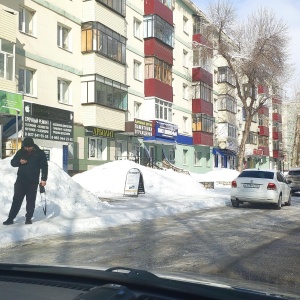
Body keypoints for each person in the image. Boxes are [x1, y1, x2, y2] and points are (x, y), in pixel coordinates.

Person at [3, 137, 48, 225]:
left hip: (33, 181)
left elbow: (44, 167)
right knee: (16, 199)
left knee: (30, 201)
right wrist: (19, 162)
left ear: (33, 145)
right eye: (25, 147)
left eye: (29, 147)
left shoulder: (40, 153)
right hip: (20, 181)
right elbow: (12, 162)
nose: (27, 149)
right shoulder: (21, 152)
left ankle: (28, 218)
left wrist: (43, 179)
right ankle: (10, 218)